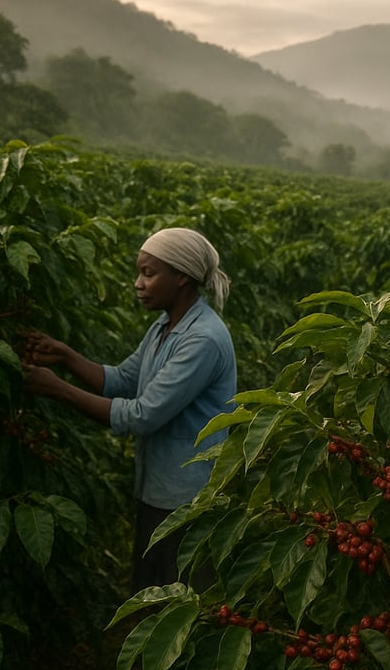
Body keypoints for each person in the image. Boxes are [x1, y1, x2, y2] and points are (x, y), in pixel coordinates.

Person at [22, 227, 237, 591]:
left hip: (189, 502)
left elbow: (141, 416)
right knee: (152, 595)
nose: (138, 284)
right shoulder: (164, 326)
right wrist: (66, 357)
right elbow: (123, 379)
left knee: (184, 604)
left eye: (148, 274)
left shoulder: (203, 339)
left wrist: (58, 389)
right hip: (158, 490)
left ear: (181, 277)